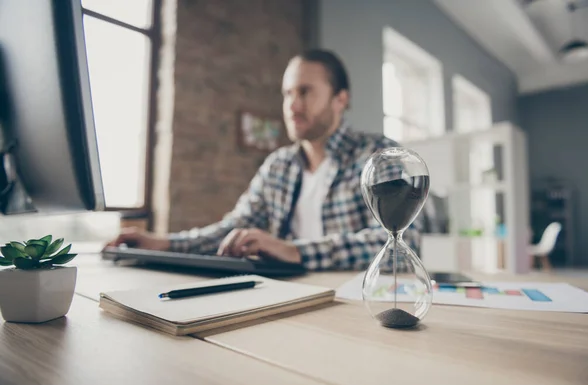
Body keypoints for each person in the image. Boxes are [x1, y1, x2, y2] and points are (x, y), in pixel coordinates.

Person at [106, 49, 419, 271]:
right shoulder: (278, 165)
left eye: (305, 92)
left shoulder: (379, 155)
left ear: (341, 99)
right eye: (287, 94)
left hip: (356, 306)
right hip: (287, 302)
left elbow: (401, 241)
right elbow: (233, 228)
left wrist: (293, 250)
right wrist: (163, 243)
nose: (292, 106)